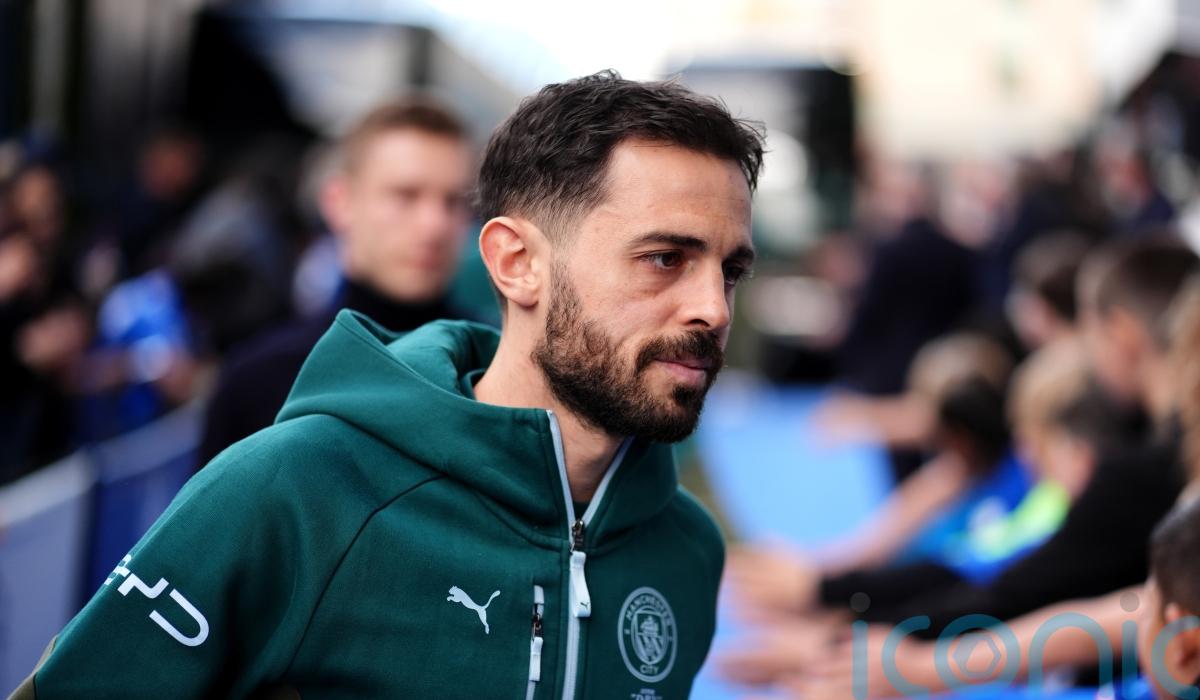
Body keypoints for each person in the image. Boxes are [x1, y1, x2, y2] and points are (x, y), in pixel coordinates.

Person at [12, 71, 764, 699]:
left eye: (730, 270)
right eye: (665, 258)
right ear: (516, 264)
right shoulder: (291, 487)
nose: (714, 307)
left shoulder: (685, 551)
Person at [198, 99, 475, 464]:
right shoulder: (258, 381)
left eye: (454, 202)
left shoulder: (495, 370)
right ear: (339, 202)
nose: (434, 224)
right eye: (405, 196)